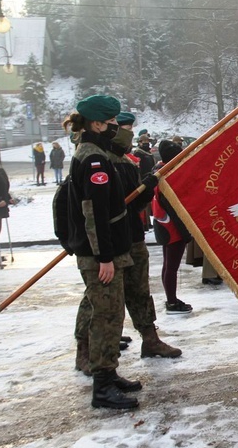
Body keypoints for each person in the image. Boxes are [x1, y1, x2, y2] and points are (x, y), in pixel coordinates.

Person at [74, 110, 182, 363]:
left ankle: (150, 338)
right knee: (99, 298)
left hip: (131, 236)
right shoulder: (98, 158)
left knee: (139, 291)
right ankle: (85, 348)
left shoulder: (125, 159)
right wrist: (102, 252)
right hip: (109, 240)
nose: (129, 133)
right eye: (124, 127)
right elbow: (97, 205)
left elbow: (131, 203)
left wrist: (146, 189)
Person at [62, 94, 140, 409]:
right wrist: (104, 257)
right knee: (106, 318)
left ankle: (109, 373)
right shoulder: (93, 159)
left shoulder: (92, 153)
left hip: (105, 253)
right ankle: (103, 386)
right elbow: (95, 212)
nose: (114, 128)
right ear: (96, 123)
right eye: (110, 123)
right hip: (101, 257)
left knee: (112, 315)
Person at [153, 139, 193, 315]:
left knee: (167, 265)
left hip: (163, 225)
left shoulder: (158, 172)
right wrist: (186, 233)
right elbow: (175, 210)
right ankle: (171, 301)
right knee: (171, 267)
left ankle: (171, 298)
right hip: (172, 227)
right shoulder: (168, 178)